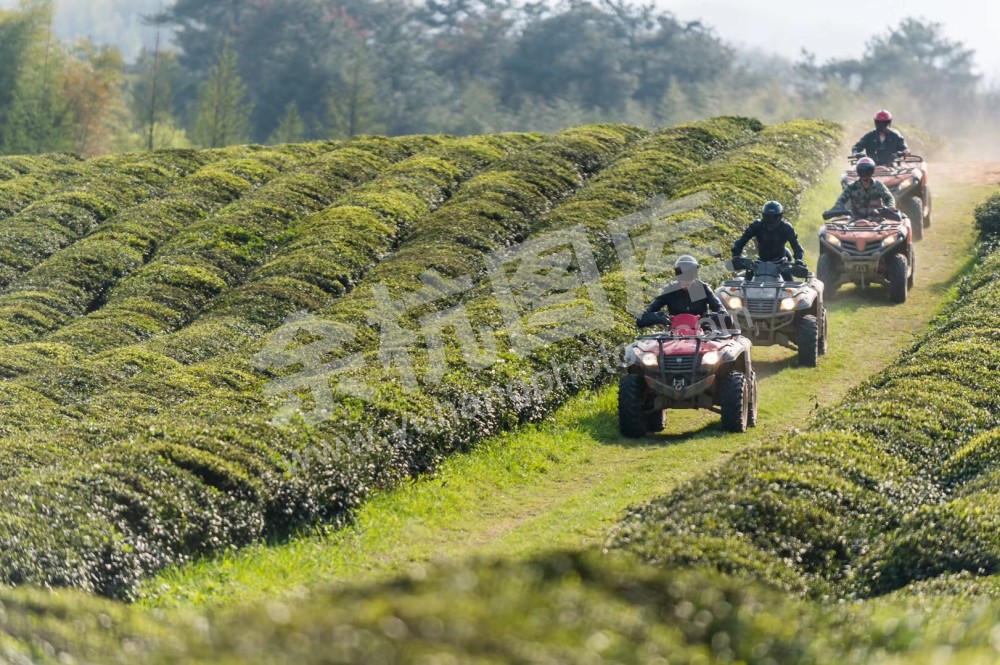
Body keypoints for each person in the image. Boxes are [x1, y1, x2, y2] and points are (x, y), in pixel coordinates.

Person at [637, 255, 728, 328]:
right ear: (677, 275)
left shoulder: (703, 288)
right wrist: (657, 318)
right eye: (682, 274)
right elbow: (641, 318)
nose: (686, 279)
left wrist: (710, 318)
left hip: (703, 333)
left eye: (689, 274)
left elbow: (723, 313)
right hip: (674, 335)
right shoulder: (670, 289)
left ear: (695, 274)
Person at [731, 201, 806, 270]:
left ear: (780, 217)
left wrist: (799, 260)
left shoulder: (786, 228)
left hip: (781, 265)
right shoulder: (757, 225)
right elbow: (741, 242)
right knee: (747, 281)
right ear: (763, 217)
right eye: (768, 218)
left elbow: (797, 248)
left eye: (775, 217)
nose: (771, 221)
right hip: (760, 264)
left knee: (790, 283)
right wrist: (736, 256)